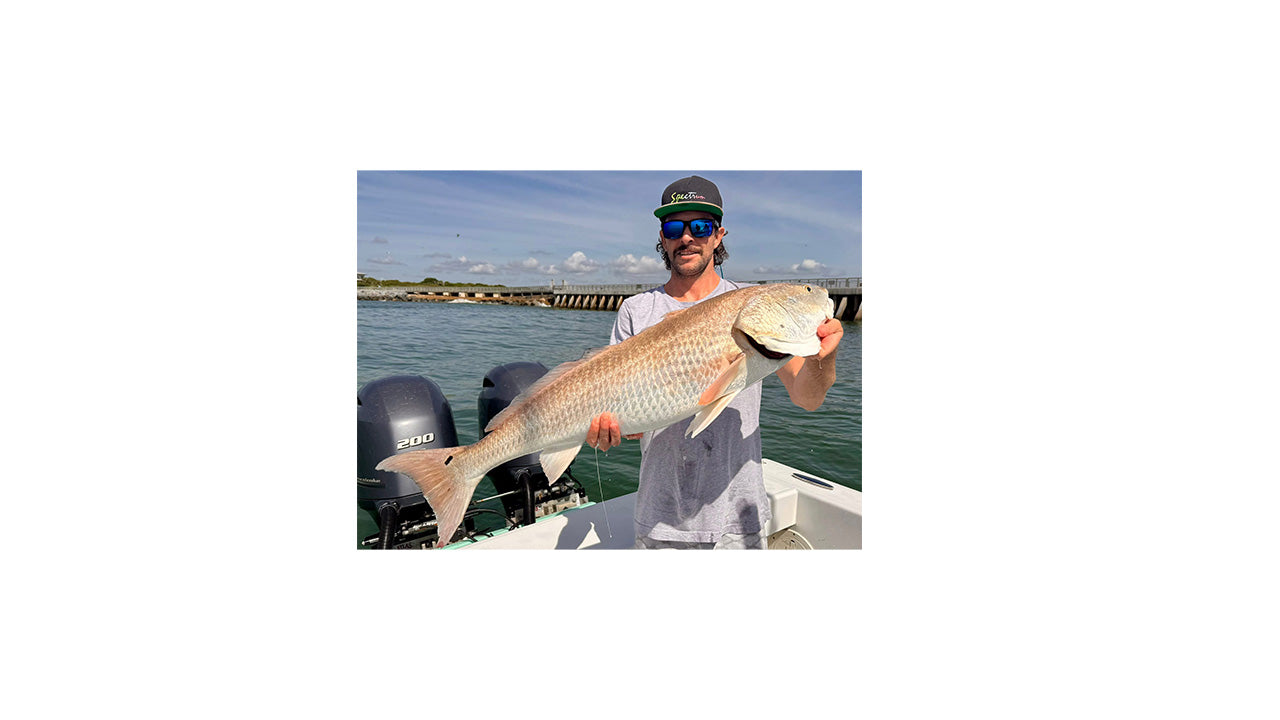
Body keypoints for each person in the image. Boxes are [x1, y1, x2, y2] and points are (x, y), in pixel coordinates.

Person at [585, 175, 844, 549]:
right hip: (659, 521)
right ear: (662, 237)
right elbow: (632, 422)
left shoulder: (750, 303)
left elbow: (807, 398)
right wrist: (612, 430)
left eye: (701, 226)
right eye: (674, 227)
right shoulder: (636, 311)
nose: (686, 237)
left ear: (719, 235)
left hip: (738, 522)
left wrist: (824, 358)